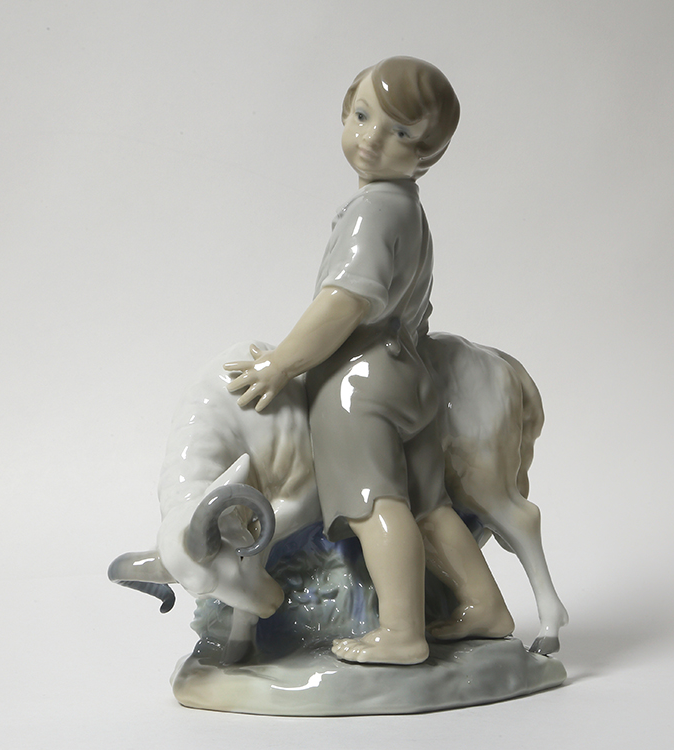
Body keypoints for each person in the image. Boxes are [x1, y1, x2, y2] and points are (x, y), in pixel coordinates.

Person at [226, 57, 513, 664]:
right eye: (361, 116)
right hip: (409, 373)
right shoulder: (406, 206)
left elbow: (345, 303)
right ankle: (485, 605)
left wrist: (281, 364)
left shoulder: (375, 210)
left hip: (359, 382)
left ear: (428, 153)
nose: (371, 138)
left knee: (375, 507)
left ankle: (401, 632)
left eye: (400, 132)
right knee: (429, 506)